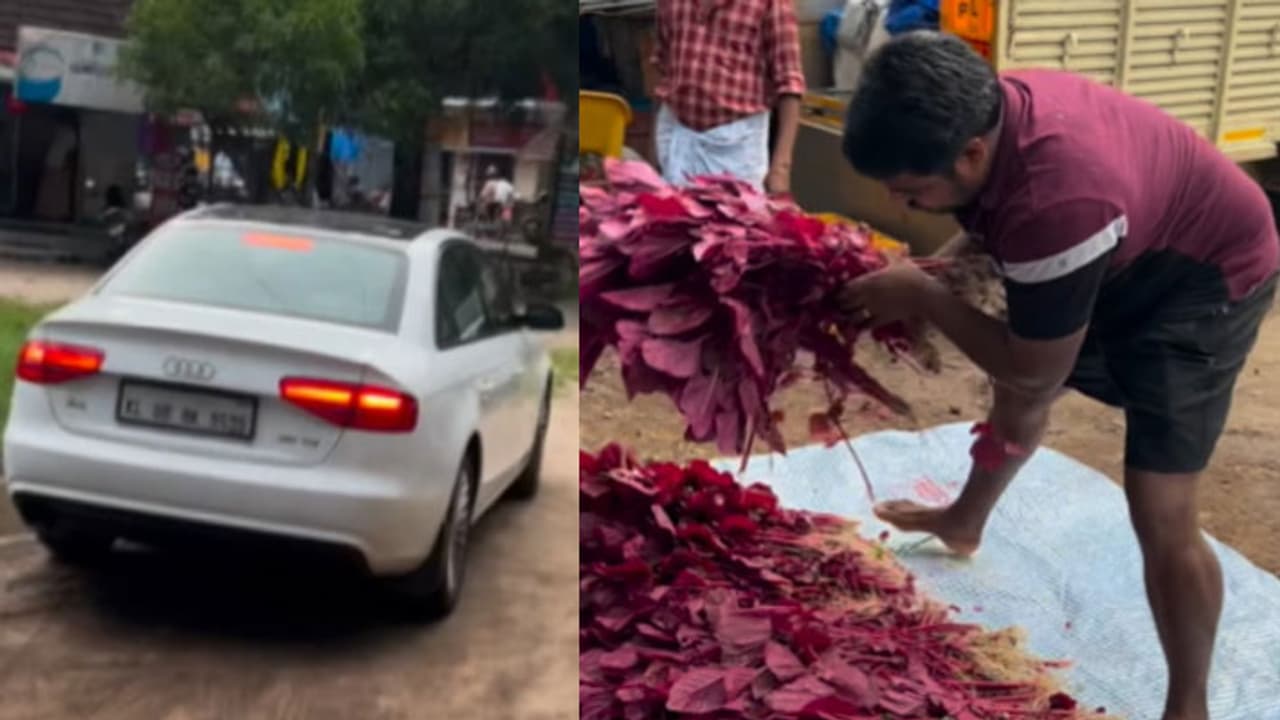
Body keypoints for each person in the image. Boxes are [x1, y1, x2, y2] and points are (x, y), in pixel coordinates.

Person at [838, 32, 1278, 720]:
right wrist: (940, 273)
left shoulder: (1057, 204)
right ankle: (965, 521)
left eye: (912, 191)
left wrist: (926, 297)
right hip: (1125, 241)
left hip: (1205, 277)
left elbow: (1034, 373)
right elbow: (996, 228)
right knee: (1017, 383)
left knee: (1159, 502)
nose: (902, 208)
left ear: (971, 153)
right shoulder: (990, 112)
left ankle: (1189, 703)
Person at [650, 0, 806, 194]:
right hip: (678, 136)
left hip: (736, 146)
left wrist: (780, 168)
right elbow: (662, 68)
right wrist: (653, 150)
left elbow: (789, 83)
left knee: (735, 211)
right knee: (671, 210)